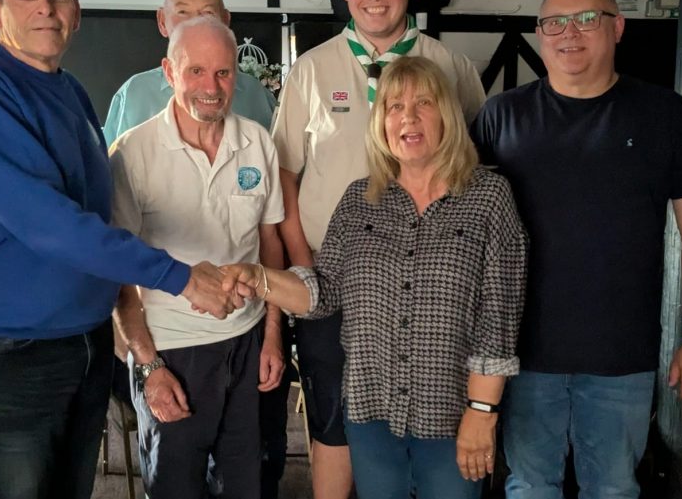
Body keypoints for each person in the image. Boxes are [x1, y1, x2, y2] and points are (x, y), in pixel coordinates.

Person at [0, 0, 234, 499]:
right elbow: (50, 224)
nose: (45, 6)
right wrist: (180, 277)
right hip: (5, 356)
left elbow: (100, 211)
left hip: (80, 344)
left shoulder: (70, 92)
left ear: (77, 11)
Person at [223, 56, 527, 499]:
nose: (408, 117)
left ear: (447, 114)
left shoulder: (489, 198)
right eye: (394, 106)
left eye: (423, 103)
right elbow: (324, 292)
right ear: (381, 123)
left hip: (453, 415)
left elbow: (498, 320)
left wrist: (482, 412)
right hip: (371, 412)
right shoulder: (358, 201)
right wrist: (258, 277)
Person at [471, 0, 682, 499]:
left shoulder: (663, 114)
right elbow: (463, 230)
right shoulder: (501, 116)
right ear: (540, 34)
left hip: (621, 352)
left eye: (587, 19)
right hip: (521, 351)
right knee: (529, 486)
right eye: (554, 23)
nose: (570, 33)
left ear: (618, 27)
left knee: (612, 488)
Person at [272, 0, 486, 498]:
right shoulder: (310, 70)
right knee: (333, 413)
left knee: (431, 414)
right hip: (330, 278)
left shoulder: (452, 67)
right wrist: (303, 264)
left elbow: (472, 166)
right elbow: (284, 178)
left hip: (429, 285)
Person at [102, 0, 292, 498]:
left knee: (249, 485)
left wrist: (273, 334)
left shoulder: (257, 142)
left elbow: (270, 246)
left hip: (247, 343)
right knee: (176, 488)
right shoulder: (132, 154)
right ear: (169, 72)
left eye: (223, 73)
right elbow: (118, 273)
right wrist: (149, 367)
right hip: (172, 349)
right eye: (196, 71)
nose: (211, 87)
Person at [103, 0, 277, 144]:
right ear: (162, 21)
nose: (195, 23)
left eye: (208, 13)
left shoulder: (256, 95)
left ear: (225, 20)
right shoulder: (134, 94)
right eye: (183, 12)